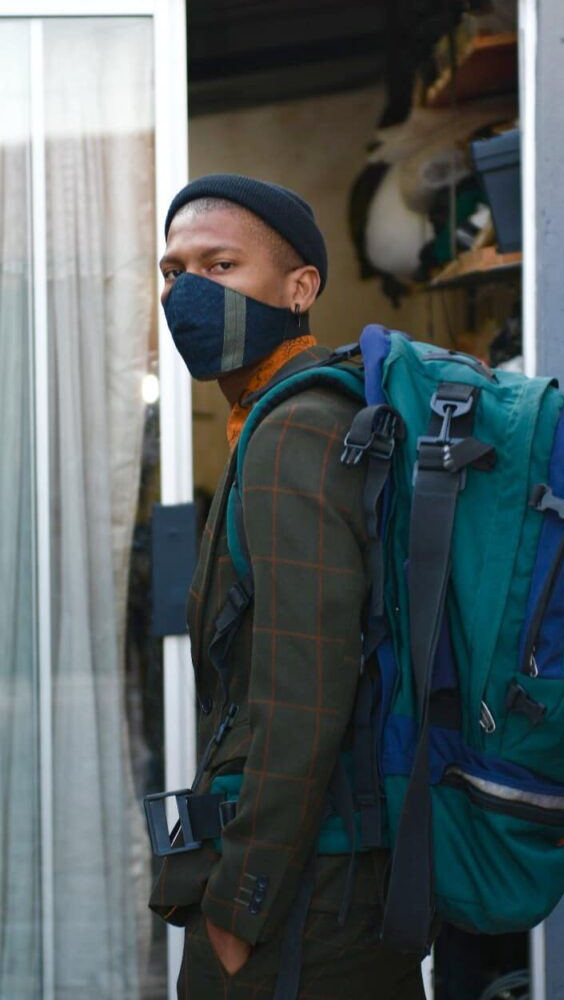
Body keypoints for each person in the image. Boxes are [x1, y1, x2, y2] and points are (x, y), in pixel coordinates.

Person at [149, 174, 426, 999]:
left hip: (304, 905)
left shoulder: (297, 428)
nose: (187, 292)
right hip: (325, 885)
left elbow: (304, 692)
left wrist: (240, 907)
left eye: (220, 266)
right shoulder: (278, 421)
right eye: (173, 271)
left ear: (300, 288)